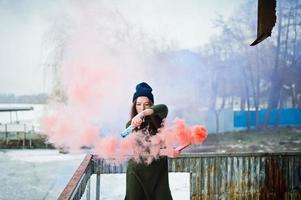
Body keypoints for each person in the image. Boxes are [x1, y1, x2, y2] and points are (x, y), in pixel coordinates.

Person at [124, 82, 180, 200]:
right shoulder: (130, 126)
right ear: (134, 106)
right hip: (137, 173)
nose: (142, 108)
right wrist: (167, 152)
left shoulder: (159, 119)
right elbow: (144, 151)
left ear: (151, 106)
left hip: (158, 173)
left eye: (146, 104)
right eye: (138, 104)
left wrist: (142, 114)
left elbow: (163, 107)